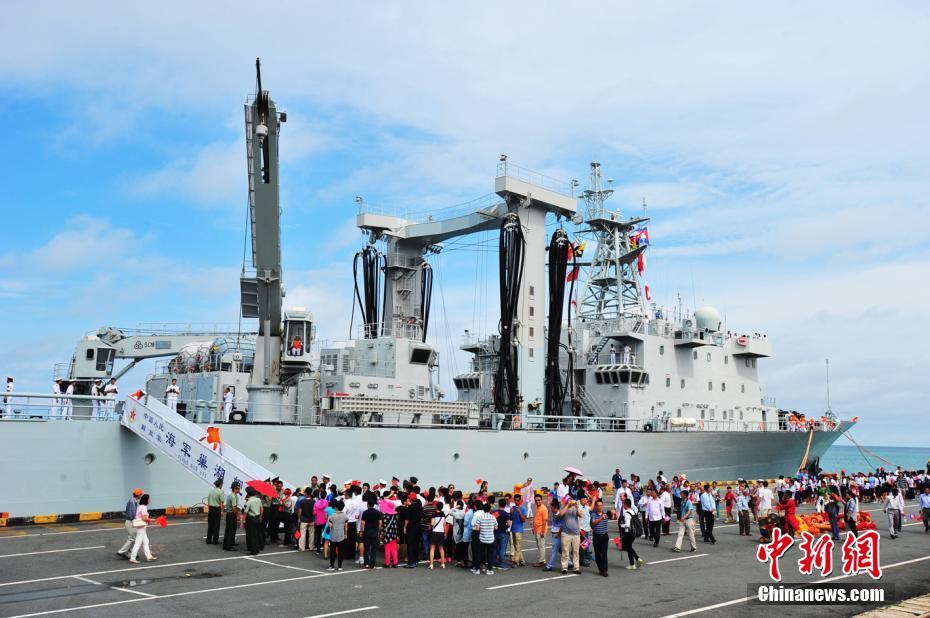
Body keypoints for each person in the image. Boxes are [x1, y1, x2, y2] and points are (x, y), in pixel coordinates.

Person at [128, 493, 156, 563]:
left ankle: (149, 556)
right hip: (141, 528)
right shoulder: (143, 507)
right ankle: (133, 558)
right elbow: (144, 518)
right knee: (138, 543)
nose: (150, 500)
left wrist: (148, 520)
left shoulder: (140, 506)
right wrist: (152, 520)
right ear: (146, 500)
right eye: (149, 499)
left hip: (141, 527)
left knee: (146, 542)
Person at [116, 488, 143, 558]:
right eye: (141, 494)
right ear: (138, 495)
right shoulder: (132, 502)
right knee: (133, 538)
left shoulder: (133, 501)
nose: (141, 495)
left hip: (130, 521)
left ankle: (129, 553)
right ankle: (121, 551)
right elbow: (132, 514)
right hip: (130, 522)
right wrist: (138, 521)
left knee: (134, 538)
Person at [472, 501, 497, 575]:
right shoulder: (493, 517)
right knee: (490, 554)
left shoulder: (480, 517)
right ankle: (489, 570)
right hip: (490, 538)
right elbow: (496, 527)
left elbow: (477, 528)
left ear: (483, 509)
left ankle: (477, 569)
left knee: (479, 554)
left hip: (482, 538)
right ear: (490, 509)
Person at [559, 497, 581, 575]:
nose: (570, 501)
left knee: (576, 551)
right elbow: (561, 514)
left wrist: (577, 506)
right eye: (568, 499)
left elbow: (580, 515)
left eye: (571, 499)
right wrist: (567, 505)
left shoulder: (575, 507)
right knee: (565, 551)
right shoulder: (563, 507)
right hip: (566, 533)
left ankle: (576, 567)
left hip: (576, 533)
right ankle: (564, 567)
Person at [359, 496, 382, 569]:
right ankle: (372, 564)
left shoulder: (365, 512)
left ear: (368, 504)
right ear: (374, 504)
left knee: (367, 548)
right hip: (375, 532)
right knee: (374, 549)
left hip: (367, 532)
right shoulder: (378, 513)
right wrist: (379, 531)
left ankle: (366, 563)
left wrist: (361, 531)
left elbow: (362, 522)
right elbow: (380, 523)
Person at [620, 498, 643, 570]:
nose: (623, 505)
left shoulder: (627, 513)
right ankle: (635, 561)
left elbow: (627, 524)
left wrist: (621, 525)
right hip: (633, 532)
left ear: (626, 505)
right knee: (628, 547)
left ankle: (635, 561)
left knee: (628, 547)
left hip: (628, 532)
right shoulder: (632, 511)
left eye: (623, 503)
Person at [326, 501, 349, 571]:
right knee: (341, 551)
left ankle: (332, 566)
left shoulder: (331, 516)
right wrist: (345, 534)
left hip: (333, 536)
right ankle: (340, 566)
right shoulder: (345, 516)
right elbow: (346, 526)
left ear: (335, 507)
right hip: (341, 535)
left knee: (332, 551)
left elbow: (330, 525)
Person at [402, 493, 423, 568]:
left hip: (411, 527)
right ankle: (416, 561)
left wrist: (404, 527)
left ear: (410, 499)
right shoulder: (420, 507)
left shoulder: (409, 508)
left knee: (410, 544)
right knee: (416, 544)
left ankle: (411, 562)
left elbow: (407, 519)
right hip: (418, 527)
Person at [591, 499, 610, 577]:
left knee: (604, 553)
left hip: (604, 536)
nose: (600, 507)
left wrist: (613, 513)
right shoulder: (593, 515)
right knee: (597, 554)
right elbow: (594, 522)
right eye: (598, 506)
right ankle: (600, 569)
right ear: (595, 506)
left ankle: (604, 570)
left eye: (601, 505)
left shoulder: (605, 514)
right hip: (597, 536)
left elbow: (614, 516)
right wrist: (601, 518)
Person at [380, 497, 400, 567]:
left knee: (387, 549)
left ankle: (387, 563)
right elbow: (396, 524)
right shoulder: (396, 515)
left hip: (387, 534)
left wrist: (381, 533)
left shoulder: (385, 516)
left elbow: (384, 526)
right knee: (394, 549)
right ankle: (395, 562)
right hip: (394, 533)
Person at [244, 487, 263, 555]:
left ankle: (253, 550)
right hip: (257, 517)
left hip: (251, 518)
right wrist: (260, 517)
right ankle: (257, 548)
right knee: (256, 533)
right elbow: (261, 509)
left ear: (248, 494)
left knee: (251, 534)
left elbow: (245, 512)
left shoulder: (249, 501)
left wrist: (243, 521)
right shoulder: (258, 499)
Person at [427, 500, 446, 569]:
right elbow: (444, 524)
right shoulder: (443, 514)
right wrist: (445, 533)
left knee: (432, 548)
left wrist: (430, 526)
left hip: (435, 532)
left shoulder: (434, 514)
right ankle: (443, 563)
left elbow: (432, 524)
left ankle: (431, 564)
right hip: (441, 532)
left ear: (436, 506)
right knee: (441, 548)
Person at [222, 481, 241, 550]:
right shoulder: (233, 496)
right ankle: (228, 546)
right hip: (231, 514)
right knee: (230, 530)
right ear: (234, 489)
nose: (239, 490)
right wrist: (238, 515)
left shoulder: (232, 495)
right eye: (238, 488)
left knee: (232, 529)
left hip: (230, 514)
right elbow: (234, 508)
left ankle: (231, 542)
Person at [510, 493, 527, 566]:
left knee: (518, 545)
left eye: (518, 500)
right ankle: (522, 561)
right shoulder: (513, 508)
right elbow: (510, 518)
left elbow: (523, 520)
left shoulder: (523, 508)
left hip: (519, 530)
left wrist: (519, 512)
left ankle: (515, 561)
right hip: (513, 529)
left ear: (520, 501)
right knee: (516, 546)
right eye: (515, 500)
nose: (516, 502)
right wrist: (510, 513)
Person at [205, 478, 224, 545]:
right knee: (216, 525)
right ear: (220, 485)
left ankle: (208, 540)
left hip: (211, 509)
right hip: (217, 509)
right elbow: (222, 502)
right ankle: (215, 540)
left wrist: (209, 509)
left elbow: (208, 501)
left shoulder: (211, 491)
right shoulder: (220, 492)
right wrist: (222, 511)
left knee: (210, 525)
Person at [296, 488, 315, 552]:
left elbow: (300, 510)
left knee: (303, 534)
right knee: (311, 534)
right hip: (311, 519)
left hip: (304, 519)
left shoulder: (302, 501)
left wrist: (299, 518)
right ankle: (311, 547)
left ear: (306, 493)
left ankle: (302, 547)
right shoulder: (313, 501)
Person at [532, 494, 548, 566]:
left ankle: (542, 561)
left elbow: (545, 521)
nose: (537, 501)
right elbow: (535, 518)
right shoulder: (537, 508)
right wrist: (533, 527)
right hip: (536, 529)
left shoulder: (543, 509)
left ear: (541, 500)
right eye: (536, 500)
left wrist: (542, 531)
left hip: (541, 530)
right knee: (539, 545)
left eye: (539, 500)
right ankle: (542, 560)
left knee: (541, 546)